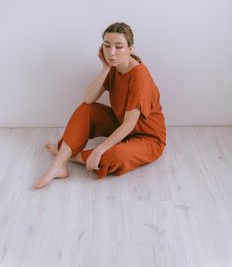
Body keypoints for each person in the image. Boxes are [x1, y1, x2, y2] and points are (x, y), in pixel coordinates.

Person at [33, 22, 166, 189]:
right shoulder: (113, 66)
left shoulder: (140, 77)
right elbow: (88, 99)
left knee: (115, 156)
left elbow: (129, 124)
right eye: (107, 45)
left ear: (130, 48)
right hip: (120, 123)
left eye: (119, 47)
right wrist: (105, 69)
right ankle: (58, 165)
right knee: (86, 109)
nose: (111, 52)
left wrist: (99, 150)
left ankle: (67, 154)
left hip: (148, 138)